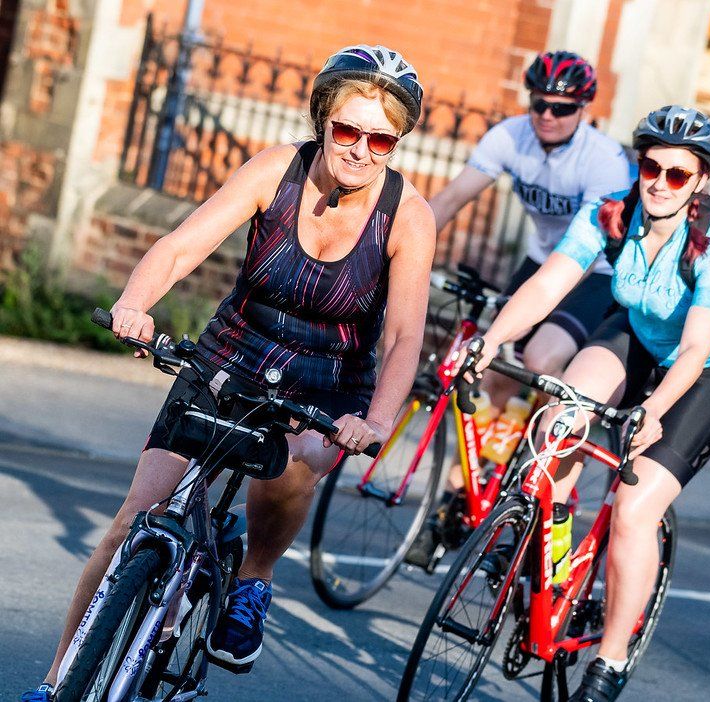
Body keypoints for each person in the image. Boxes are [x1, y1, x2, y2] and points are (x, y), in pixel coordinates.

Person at [21, 44, 436, 701]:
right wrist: (136, 304)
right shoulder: (278, 171)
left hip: (327, 384)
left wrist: (377, 419)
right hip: (231, 354)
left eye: (380, 139)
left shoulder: (407, 217)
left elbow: (406, 334)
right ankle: (55, 685)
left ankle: (255, 577)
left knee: (297, 459)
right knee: (133, 520)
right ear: (323, 118)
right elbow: (182, 244)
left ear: (397, 142)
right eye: (348, 130)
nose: (360, 149)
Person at [467, 105, 710, 701]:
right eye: (650, 167)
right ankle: (551, 548)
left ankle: (611, 659)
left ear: (700, 181)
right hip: (638, 333)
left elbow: (699, 345)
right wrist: (493, 338)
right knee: (559, 419)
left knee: (631, 510)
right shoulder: (611, 214)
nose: (659, 182)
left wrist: (653, 411)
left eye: (678, 174)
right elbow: (549, 283)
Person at [405, 50, 631, 568]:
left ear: (584, 109)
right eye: (540, 104)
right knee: (493, 377)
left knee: (538, 360)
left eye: (562, 107)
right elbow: (452, 198)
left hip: (591, 274)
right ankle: (464, 494)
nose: (548, 115)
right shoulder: (510, 136)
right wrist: (401, 249)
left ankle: (524, 466)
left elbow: (593, 245)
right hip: (536, 262)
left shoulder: (603, 160)